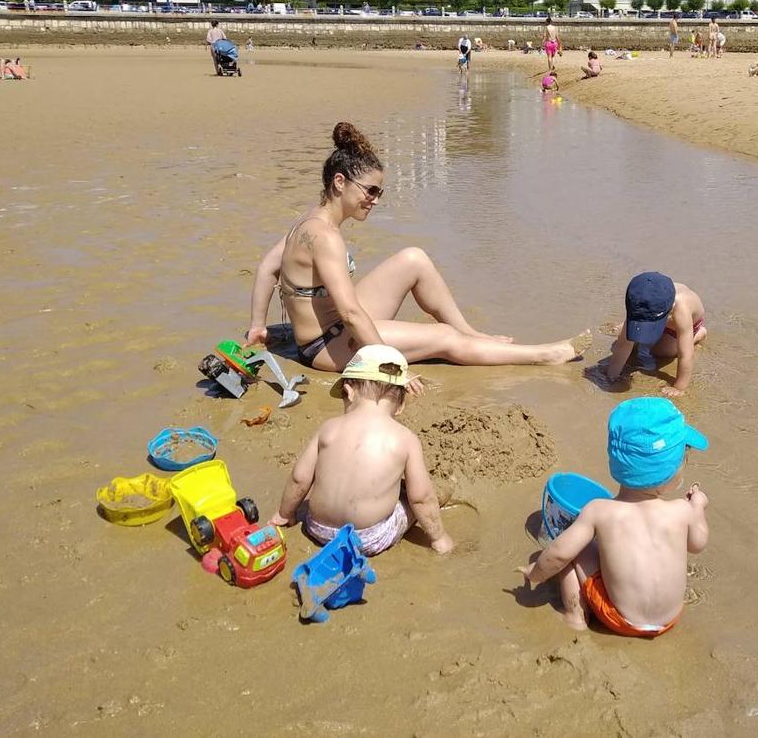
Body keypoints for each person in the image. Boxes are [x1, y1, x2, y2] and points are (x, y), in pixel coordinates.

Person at [246, 122, 589, 375]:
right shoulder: (325, 237)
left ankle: (472, 335)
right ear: (340, 183)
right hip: (327, 345)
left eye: (380, 193)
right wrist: (389, 367)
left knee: (415, 259)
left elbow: (267, 268)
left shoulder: (307, 222)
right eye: (371, 191)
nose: (375, 200)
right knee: (442, 338)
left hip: (333, 326)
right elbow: (351, 313)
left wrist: (258, 327)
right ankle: (545, 355)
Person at [517, 397, 709, 635]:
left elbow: (557, 555)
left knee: (570, 550)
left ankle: (575, 617)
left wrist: (534, 572)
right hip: (669, 619)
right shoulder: (682, 510)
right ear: (672, 471)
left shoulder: (599, 511)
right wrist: (698, 508)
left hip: (619, 619)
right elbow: (698, 544)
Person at [268, 345, 452, 556]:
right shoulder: (405, 439)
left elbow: (300, 479)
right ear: (400, 406)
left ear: (348, 392)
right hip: (368, 538)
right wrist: (439, 538)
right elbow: (420, 497)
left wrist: (284, 514)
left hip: (318, 528)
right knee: (415, 498)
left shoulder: (328, 428)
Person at [604, 272, 706, 397]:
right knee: (628, 337)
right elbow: (623, 344)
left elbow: (686, 355)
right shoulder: (639, 299)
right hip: (657, 315)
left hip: (680, 326)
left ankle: (699, 334)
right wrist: (612, 374)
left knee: (663, 352)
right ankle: (636, 326)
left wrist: (679, 387)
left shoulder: (681, 308)